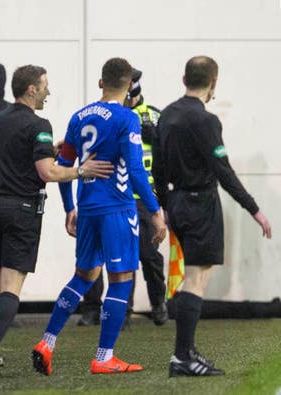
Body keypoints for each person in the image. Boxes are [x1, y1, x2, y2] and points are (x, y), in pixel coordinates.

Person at [31, 58, 167, 377]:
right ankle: (104, 357)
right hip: (117, 209)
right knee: (121, 280)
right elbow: (134, 170)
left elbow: (62, 163)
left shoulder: (79, 116)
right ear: (129, 85)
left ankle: (47, 342)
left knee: (85, 276)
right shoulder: (128, 118)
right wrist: (157, 212)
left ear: (100, 83)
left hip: (88, 207)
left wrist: (69, 208)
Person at [0, 65, 114, 378]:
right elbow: (48, 173)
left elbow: (13, 158)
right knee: (11, 286)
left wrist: (43, 152)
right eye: (45, 86)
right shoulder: (39, 124)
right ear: (31, 90)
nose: (48, 92)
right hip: (21, 210)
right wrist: (82, 170)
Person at [153, 55, 272, 377]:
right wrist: (255, 210)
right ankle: (182, 357)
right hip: (199, 204)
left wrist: (163, 208)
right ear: (213, 83)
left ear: (184, 79)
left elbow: (158, 168)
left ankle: (186, 352)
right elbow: (223, 170)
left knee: (192, 277)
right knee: (196, 279)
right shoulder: (206, 121)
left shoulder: (166, 115)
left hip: (176, 203)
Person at [77, 68, 168, 328]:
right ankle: (101, 310)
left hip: (143, 196)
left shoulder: (154, 115)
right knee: (104, 255)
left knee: (149, 255)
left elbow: (163, 160)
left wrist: (161, 201)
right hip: (113, 194)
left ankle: (158, 304)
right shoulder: (105, 114)